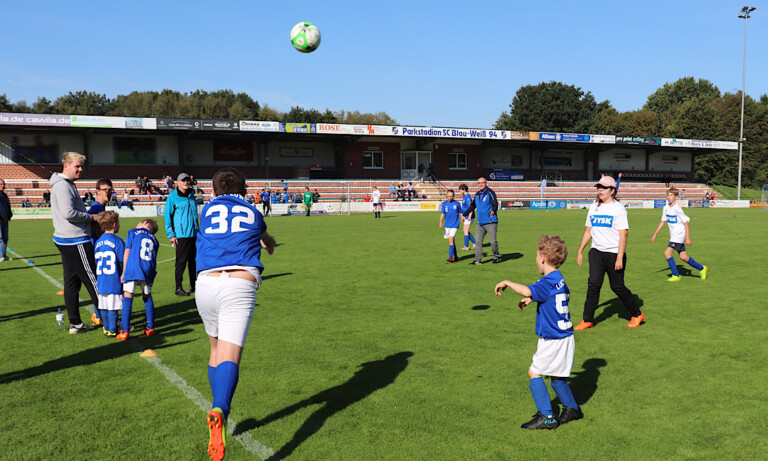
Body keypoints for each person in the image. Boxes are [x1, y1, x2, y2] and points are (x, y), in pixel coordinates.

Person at [194, 168, 276, 461]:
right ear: (244, 189)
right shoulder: (254, 211)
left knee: (215, 349)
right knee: (230, 353)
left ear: (214, 191)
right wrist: (269, 242)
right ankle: (220, 410)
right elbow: (261, 235)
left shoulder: (206, 210)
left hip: (205, 282)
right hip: (239, 283)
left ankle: (217, 406)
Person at [494, 235, 581, 430]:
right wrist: (533, 299)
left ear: (542, 257)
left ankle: (547, 417)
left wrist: (507, 282)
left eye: (536, 256)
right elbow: (550, 296)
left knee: (534, 372)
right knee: (557, 376)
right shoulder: (559, 279)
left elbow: (527, 290)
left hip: (553, 338)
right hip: (565, 336)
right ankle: (572, 408)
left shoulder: (546, 282)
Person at [574, 175, 644, 330]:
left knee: (617, 287)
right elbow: (588, 231)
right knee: (593, 285)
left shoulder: (618, 209)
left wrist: (619, 257)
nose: (600, 190)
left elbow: (623, 234)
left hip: (613, 254)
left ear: (612, 190)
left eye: (604, 188)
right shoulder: (594, 207)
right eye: (598, 187)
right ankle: (587, 320)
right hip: (596, 252)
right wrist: (580, 250)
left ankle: (637, 314)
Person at [50, 152, 99, 333]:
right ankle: (112, 323)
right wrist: (90, 218)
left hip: (66, 239)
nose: (80, 170)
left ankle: (75, 323)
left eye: (81, 166)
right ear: (66, 166)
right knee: (94, 281)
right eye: (77, 166)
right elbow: (68, 213)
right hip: (75, 239)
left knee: (71, 283)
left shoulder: (64, 184)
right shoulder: (63, 185)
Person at [651, 187, 709, 282]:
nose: (669, 197)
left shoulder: (677, 209)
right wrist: (655, 234)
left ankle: (676, 275)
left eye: (671, 195)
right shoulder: (665, 208)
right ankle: (702, 268)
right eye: (668, 195)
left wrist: (687, 238)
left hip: (678, 235)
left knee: (667, 253)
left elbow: (686, 222)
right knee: (683, 257)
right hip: (674, 235)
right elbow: (662, 222)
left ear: (676, 197)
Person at [118, 219, 159, 340]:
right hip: (148, 269)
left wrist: (124, 271)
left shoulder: (133, 232)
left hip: (133, 267)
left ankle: (125, 331)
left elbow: (127, 251)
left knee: (128, 296)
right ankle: (150, 327)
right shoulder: (155, 240)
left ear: (145, 223)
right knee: (147, 295)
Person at [165, 172, 199, 296]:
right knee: (181, 263)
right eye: (183, 180)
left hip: (194, 234)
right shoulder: (172, 197)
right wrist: (171, 234)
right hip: (181, 235)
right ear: (177, 183)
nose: (186, 182)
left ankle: (193, 285)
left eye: (187, 180)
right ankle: (178, 287)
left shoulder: (191, 195)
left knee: (193, 262)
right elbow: (167, 217)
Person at [94, 211, 124, 337]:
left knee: (104, 305)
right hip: (113, 279)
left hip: (101, 279)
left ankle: (106, 328)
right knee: (113, 307)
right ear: (114, 224)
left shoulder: (98, 242)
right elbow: (122, 261)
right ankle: (113, 330)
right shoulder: (117, 241)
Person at [462, 177, 500, 265]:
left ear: (486, 183)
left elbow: (495, 203)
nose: (480, 184)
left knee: (493, 241)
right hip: (480, 223)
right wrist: (464, 214)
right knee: (478, 242)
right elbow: (472, 206)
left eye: (482, 183)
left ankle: (496, 256)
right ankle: (477, 260)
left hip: (491, 222)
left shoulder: (490, 193)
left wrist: (494, 210)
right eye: (479, 183)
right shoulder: (477, 194)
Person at [439, 190, 462, 263]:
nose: (450, 197)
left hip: (454, 224)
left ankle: (450, 258)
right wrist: (440, 222)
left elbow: (461, 212)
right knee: (452, 241)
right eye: (448, 196)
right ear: (446, 196)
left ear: (453, 196)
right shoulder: (444, 204)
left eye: (451, 196)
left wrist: (462, 218)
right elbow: (442, 213)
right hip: (447, 225)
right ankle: (455, 256)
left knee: (451, 240)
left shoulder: (457, 204)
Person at [458, 184, 476, 251]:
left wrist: (470, 216)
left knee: (465, 231)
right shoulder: (464, 196)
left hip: (469, 216)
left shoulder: (468, 197)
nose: (460, 192)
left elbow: (471, 207)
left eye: (460, 190)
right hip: (466, 216)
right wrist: (462, 216)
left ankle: (466, 246)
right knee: (465, 230)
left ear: (464, 190)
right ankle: (475, 243)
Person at [0, 178, 11, 262]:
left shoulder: (4, 195)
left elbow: (7, 206)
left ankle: (3, 254)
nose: (2, 186)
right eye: (0, 184)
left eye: (3, 184)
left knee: (5, 238)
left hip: (5, 220)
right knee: (0, 238)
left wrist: (9, 214)